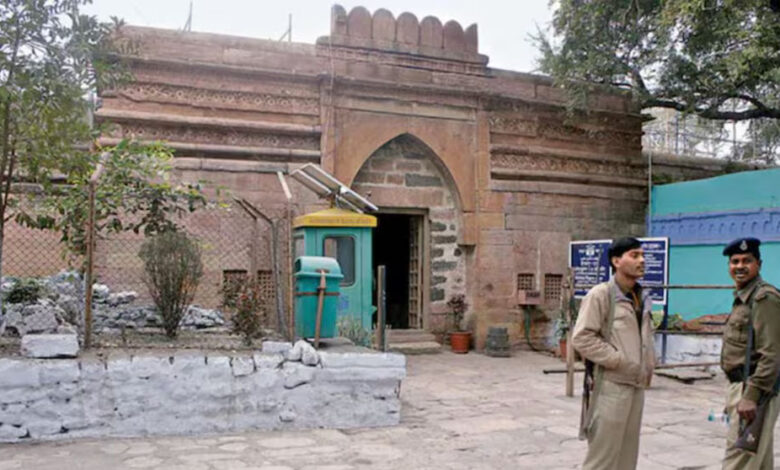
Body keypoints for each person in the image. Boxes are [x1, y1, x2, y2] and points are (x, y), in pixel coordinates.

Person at [572, 237, 656, 470]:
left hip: (636, 386)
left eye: (642, 255)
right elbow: (582, 337)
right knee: (603, 460)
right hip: (610, 386)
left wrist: (648, 363)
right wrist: (618, 360)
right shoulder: (601, 295)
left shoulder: (640, 296)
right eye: (634, 255)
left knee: (627, 458)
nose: (642, 260)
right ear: (616, 261)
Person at [720, 237, 780, 470]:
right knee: (758, 462)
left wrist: (750, 396)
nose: (740, 266)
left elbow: (772, 353)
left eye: (747, 261)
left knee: (738, 461)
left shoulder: (764, 299)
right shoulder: (744, 296)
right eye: (735, 261)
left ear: (759, 264)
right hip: (741, 387)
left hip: (754, 391)